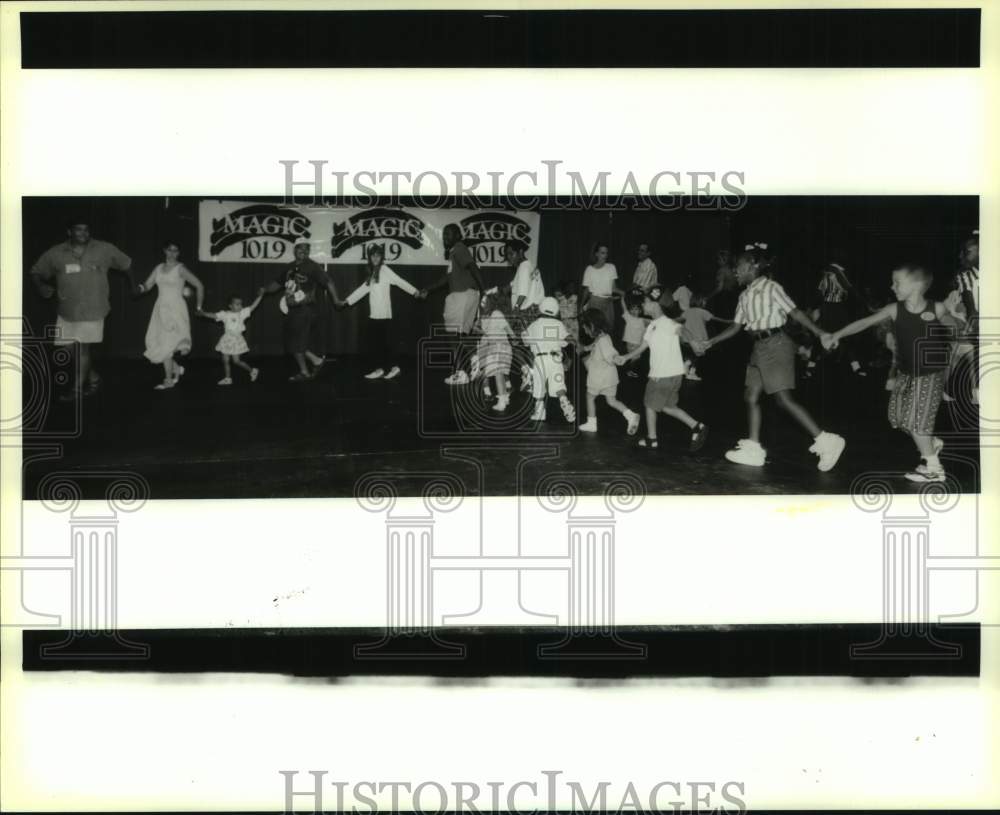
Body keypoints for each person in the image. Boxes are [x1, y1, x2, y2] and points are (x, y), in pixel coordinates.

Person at [695, 243, 846, 471]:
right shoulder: (744, 296)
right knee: (751, 396)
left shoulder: (772, 288)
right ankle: (754, 449)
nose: (735, 271)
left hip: (777, 344)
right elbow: (736, 327)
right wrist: (710, 342)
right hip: (758, 348)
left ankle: (827, 441)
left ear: (753, 266)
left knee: (783, 399)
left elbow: (794, 312)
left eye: (738, 266)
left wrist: (821, 333)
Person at [824, 264, 965, 483]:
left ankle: (934, 468)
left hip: (930, 374)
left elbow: (957, 329)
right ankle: (931, 442)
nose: (892, 286)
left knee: (917, 422)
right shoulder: (894, 309)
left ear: (917, 285)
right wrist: (837, 334)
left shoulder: (935, 308)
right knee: (897, 419)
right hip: (905, 373)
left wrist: (954, 316)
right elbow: (865, 322)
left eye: (897, 282)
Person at [29, 219, 132, 400]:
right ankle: (93, 377)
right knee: (68, 349)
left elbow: (127, 264)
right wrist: (40, 286)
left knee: (83, 349)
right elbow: (36, 271)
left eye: (86, 229)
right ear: (69, 232)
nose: (84, 233)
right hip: (67, 310)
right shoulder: (56, 253)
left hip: (94, 309)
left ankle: (77, 390)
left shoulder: (104, 249)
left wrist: (134, 285)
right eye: (78, 230)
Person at [615, 286, 709, 452]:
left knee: (649, 404)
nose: (643, 306)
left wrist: (693, 342)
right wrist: (626, 357)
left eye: (645, 302)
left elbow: (683, 331)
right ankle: (697, 426)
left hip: (662, 374)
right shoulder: (652, 326)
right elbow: (643, 346)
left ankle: (652, 439)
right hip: (674, 375)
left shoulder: (667, 322)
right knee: (667, 406)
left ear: (656, 304)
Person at [341, 244, 425, 380]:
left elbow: (399, 281)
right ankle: (380, 369)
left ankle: (394, 368)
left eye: (378, 255)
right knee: (376, 344)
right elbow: (362, 289)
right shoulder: (372, 272)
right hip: (374, 314)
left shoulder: (385, 270)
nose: (375, 258)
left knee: (384, 344)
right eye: (372, 255)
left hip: (383, 314)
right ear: (369, 257)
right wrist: (346, 301)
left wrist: (415, 292)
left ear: (382, 257)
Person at [262, 241, 340, 381]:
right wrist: (265, 290)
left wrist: (336, 300)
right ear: (295, 250)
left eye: (307, 249)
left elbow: (329, 282)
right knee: (293, 342)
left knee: (296, 343)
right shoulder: (290, 267)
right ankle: (316, 362)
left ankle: (306, 371)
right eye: (301, 248)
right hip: (292, 309)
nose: (304, 251)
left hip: (306, 309)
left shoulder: (313, 267)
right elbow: (277, 284)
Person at [136, 240, 204, 389]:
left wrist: (199, 307)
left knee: (167, 344)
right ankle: (176, 369)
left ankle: (168, 380)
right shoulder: (159, 268)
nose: (172, 253)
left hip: (176, 309)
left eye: (176, 250)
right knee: (161, 343)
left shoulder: (180, 268)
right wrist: (140, 288)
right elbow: (148, 285)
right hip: (160, 308)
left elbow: (199, 285)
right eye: (170, 250)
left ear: (178, 253)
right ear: (165, 251)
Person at [425, 224, 484, 385]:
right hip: (469, 295)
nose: (445, 237)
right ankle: (475, 362)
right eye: (444, 235)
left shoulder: (459, 248)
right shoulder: (454, 252)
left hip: (462, 295)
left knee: (452, 335)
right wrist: (428, 290)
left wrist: (483, 290)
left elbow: (473, 267)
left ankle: (460, 373)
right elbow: (446, 279)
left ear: (458, 236)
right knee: (462, 335)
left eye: (449, 234)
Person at [578, 308, 640, 435]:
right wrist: (585, 348)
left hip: (599, 377)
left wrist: (616, 358)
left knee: (589, 397)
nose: (584, 330)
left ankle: (591, 423)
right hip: (610, 377)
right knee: (611, 401)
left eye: (585, 327)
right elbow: (593, 346)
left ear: (592, 325)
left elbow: (610, 354)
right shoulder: (603, 337)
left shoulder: (602, 341)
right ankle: (631, 415)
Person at [523, 296, 575, 422]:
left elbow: (525, 341)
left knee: (539, 387)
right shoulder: (559, 324)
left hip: (540, 360)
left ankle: (540, 412)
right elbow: (567, 340)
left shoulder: (534, 325)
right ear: (556, 310)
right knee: (558, 385)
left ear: (541, 309)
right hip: (556, 359)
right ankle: (564, 401)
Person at [197, 290, 264, 385]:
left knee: (236, 361)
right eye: (237, 304)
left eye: (241, 304)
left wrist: (260, 297)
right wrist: (204, 314)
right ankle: (228, 378)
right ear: (230, 305)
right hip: (227, 339)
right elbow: (214, 315)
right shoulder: (225, 314)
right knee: (225, 360)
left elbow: (253, 306)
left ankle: (252, 370)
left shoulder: (242, 313)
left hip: (236, 339)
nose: (240, 306)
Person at [472, 288, 515, 412]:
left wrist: (513, 337)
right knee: (499, 374)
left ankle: (502, 401)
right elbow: (486, 333)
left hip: (499, 348)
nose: (483, 305)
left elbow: (508, 329)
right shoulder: (488, 317)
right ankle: (505, 397)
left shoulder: (496, 313)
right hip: (496, 348)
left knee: (498, 374)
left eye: (485, 303)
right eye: (482, 303)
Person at [679, 292, 729, 381]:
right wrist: (728, 321)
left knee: (691, 354)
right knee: (699, 355)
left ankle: (689, 369)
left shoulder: (687, 311)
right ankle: (688, 366)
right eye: (704, 301)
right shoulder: (703, 312)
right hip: (699, 338)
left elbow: (679, 319)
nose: (705, 303)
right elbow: (716, 319)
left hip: (687, 339)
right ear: (699, 301)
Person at [580, 243, 625, 328]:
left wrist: (624, 293)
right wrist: (581, 306)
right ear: (596, 254)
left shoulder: (611, 267)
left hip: (608, 303)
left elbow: (613, 288)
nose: (605, 255)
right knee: (595, 329)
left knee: (608, 329)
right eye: (602, 253)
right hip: (595, 302)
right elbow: (587, 290)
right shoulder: (589, 269)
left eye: (606, 253)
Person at [621, 289, 649, 378]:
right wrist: (622, 297)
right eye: (632, 309)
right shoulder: (628, 317)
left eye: (636, 309)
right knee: (633, 357)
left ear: (641, 310)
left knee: (635, 357)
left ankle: (629, 369)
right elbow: (624, 306)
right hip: (630, 342)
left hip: (638, 342)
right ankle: (629, 370)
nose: (633, 311)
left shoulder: (643, 320)